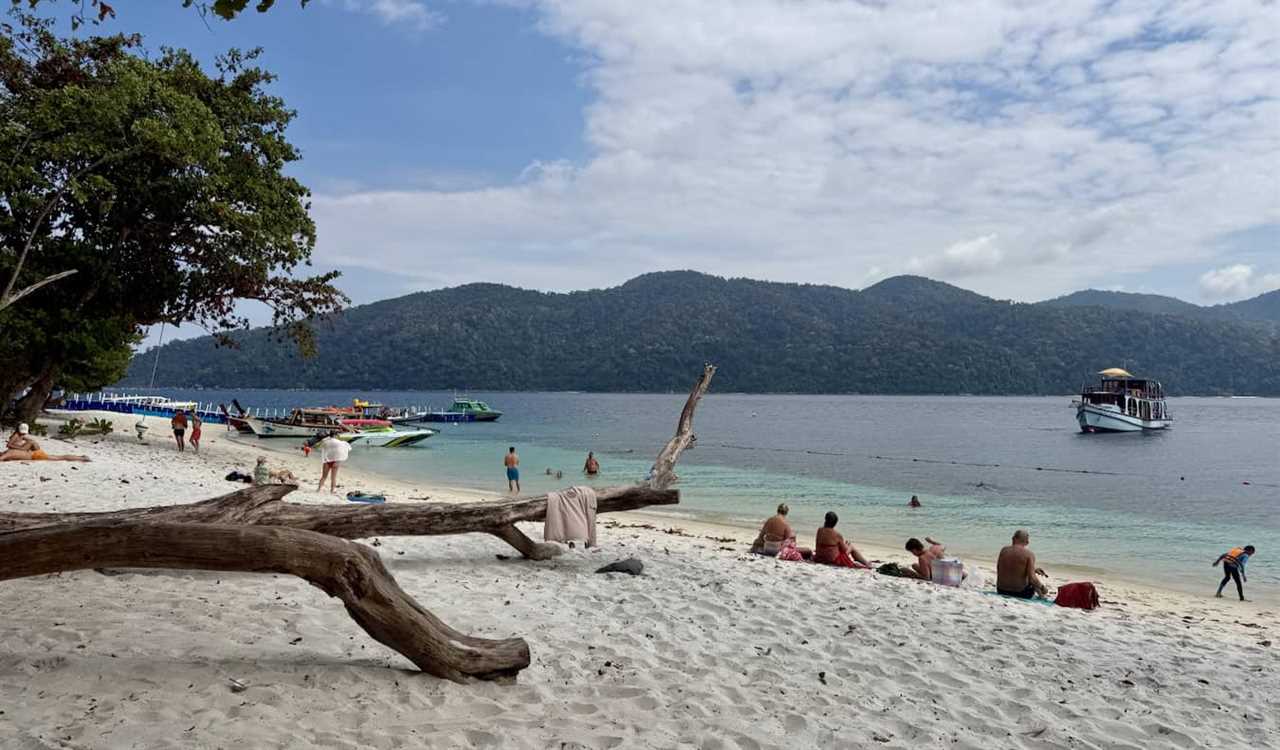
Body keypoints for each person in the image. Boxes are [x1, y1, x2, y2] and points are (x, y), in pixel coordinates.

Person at [996, 529, 1047, 598]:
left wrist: (1033, 570)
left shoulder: (1004, 550)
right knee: (1032, 579)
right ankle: (1042, 597)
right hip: (1020, 593)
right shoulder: (1029, 554)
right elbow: (1032, 579)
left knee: (1030, 573)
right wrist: (1043, 587)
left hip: (1001, 590)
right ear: (1027, 542)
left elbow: (1004, 568)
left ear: (1013, 538)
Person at [1, 423, 88, 462]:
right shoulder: (13, 449)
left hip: (35, 455)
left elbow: (2, 457)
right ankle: (81, 457)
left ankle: (82, 458)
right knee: (59, 457)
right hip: (34, 453)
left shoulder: (10, 452)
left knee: (60, 458)